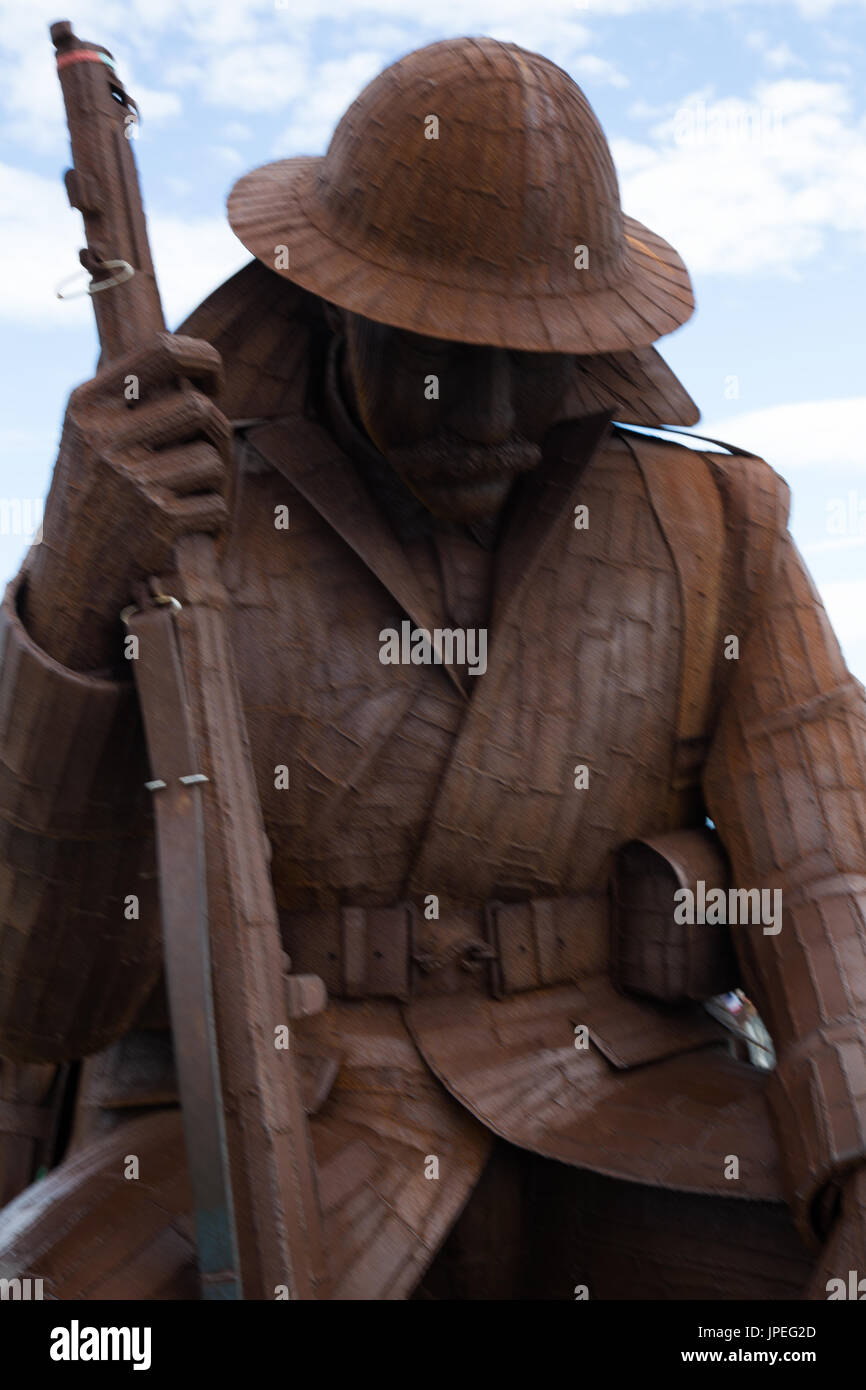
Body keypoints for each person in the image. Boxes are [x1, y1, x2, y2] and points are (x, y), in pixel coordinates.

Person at [0, 36, 863, 1300]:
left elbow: (826, 869)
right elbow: (38, 996)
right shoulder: (169, 510)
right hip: (254, 1110)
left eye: (534, 352)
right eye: (441, 354)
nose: (494, 417)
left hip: (629, 1104)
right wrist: (73, 595)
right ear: (332, 304)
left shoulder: (718, 521)